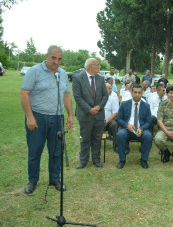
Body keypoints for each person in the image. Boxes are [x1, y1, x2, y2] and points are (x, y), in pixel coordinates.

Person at [20, 45, 73, 194]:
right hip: (38, 117)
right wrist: (30, 117)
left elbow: (67, 95)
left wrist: (69, 114)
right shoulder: (34, 71)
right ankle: (33, 180)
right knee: (35, 151)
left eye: (59, 58)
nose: (56, 61)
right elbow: (24, 94)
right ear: (47, 56)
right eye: (53, 58)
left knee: (56, 151)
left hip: (58, 118)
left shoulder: (62, 74)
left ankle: (54, 178)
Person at [73, 58, 108, 169]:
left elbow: (105, 96)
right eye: (97, 65)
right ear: (90, 66)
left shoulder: (101, 79)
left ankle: (96, 160)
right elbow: (78, 97)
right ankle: (83, 160)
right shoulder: (78, 78)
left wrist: (98, 107)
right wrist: (89, 109)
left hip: (98, 114)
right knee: (85, 138)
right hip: (85, 115)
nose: (99, 67)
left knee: (97, 138)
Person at [116, 84, 153, 169]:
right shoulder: (124, 104)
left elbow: (148, 121)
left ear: (142, 93)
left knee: (148, 136)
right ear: (131, 92)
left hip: (141, 130)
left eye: (139, 92)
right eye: (135, 92)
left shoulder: (146, 106)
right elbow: (118, 119)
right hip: (127, 129)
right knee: (120, 135)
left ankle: (144, 160)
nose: (137, 94)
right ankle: (122, 160)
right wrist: (126, 125)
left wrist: (142, 128)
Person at [104, 83, 119, 153]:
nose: (111, 90)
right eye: (109, 88)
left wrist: (107, 121)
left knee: (115, 124)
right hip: (98, 120)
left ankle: (116, 146)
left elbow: (115, 113)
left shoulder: (113, 98)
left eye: (111, 88)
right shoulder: (97, 97)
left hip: (109, 120)